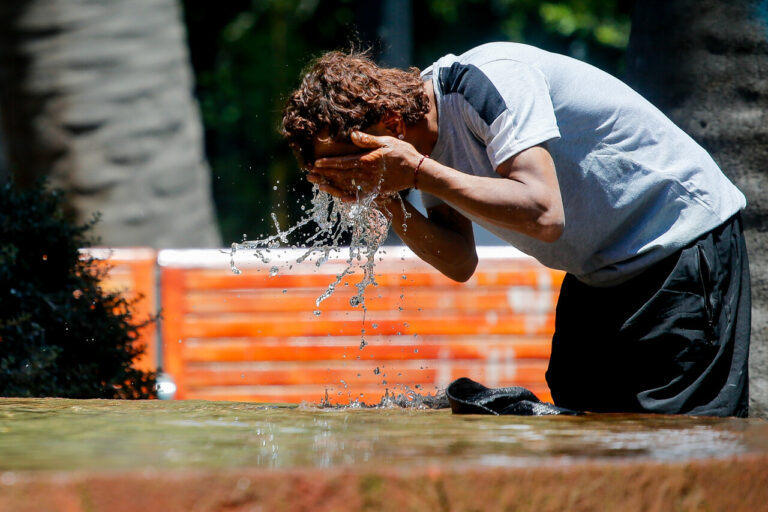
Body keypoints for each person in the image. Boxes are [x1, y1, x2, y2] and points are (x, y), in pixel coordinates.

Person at [281, 42, 751, 417]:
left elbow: (544, 214)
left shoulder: (486, 81)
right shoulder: (424, 147)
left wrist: (418, 173)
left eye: (356, 163)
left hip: (681, 245)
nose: (357, 176)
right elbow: (459, 260)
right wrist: (384, 198)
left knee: (683, 440)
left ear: (390, 123)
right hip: (601, 273)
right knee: (583, 427)